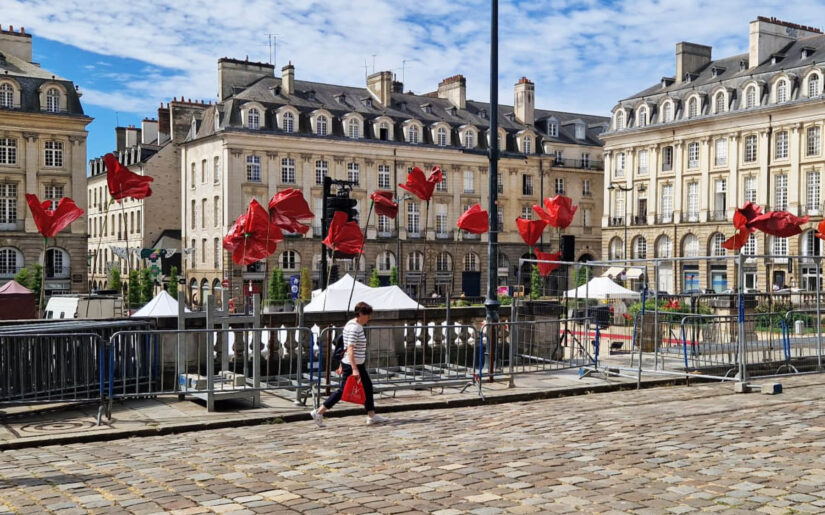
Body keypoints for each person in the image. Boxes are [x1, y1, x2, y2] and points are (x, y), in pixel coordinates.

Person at [310, 302, 388, 427]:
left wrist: (344, 364)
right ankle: (319, 412)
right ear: (361, 314)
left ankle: (371, 415)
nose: (369, 318)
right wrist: (354, 368)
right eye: (367, 315)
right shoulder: (355, 328)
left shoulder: (352, 324)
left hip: (355, 364)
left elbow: (345, 347)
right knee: (343, 390)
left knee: (367, 387)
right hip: (353, 365)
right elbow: (350, 349)